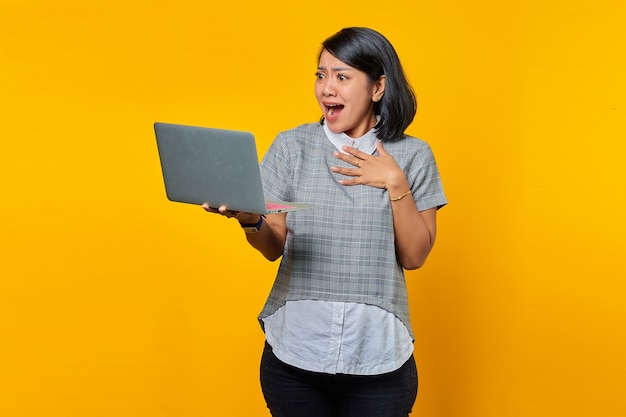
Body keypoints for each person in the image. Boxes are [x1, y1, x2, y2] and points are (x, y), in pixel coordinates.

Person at [202, 27, 447, 417]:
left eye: (342, 76)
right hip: (296, 353)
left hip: (379, 358)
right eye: (321, 75)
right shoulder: (290, 147)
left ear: (378, 87)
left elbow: (415, 255)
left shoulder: (414, 155)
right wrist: (250, 220)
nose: (326, 88)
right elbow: (273, 245)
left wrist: (395, 182)